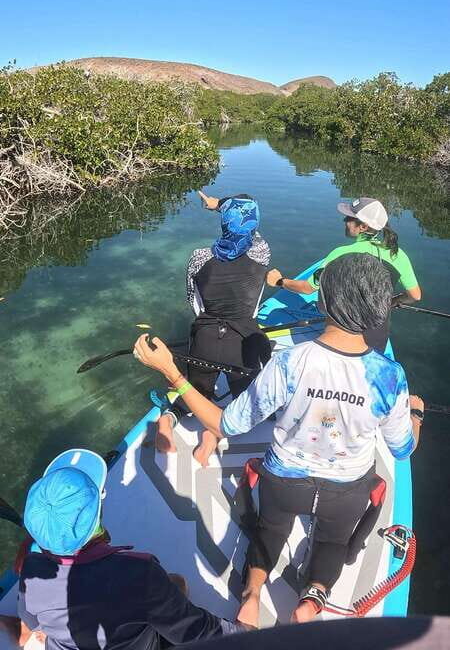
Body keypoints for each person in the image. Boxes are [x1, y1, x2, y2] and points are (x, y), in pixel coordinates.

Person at [134, 253, 424, 627]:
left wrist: (173, 372)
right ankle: (310, 602)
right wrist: (415, 415)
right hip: (347, 490)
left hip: (285, 481)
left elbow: (225, 423)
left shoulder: (291, 363)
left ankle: (251, 597)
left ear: (325, 301)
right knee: (333, 544)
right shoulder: (390, 376)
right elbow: (403, 449)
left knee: (269, 531)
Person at [17, 448, 244, 650]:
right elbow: (193, 630)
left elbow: (32, 620)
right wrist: (243, 635)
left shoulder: (31, 570)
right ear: (97, 517)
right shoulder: (140, 573)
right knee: (177, 583)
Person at [156, 190, 271, 465]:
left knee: (195, 391)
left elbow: (193, 302)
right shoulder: (262, 254)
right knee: (247, 402)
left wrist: (217, 205)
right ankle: (213, 434)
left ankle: (166, 421)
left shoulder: (198, 257)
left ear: (223, 223)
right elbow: (251, 229)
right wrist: (220, 205)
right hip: (243, 343)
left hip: (205, 338)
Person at [266, 197, 422, 352]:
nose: (344, 221)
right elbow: (415, 296)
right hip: (377, 338)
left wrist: (280, 281)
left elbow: (307, 289)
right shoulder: (398, 255)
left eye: (348, 218)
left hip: (341, 338)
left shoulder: (340, 254)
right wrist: (392, 302)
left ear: (363, 226)